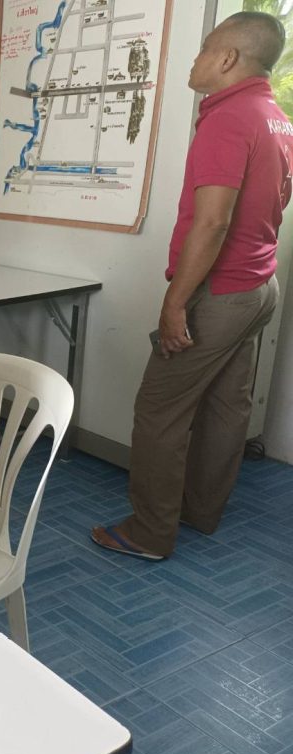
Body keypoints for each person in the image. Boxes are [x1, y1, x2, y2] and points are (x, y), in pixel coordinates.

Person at [92, 12, 292, 561]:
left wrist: (175, 302)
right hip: (259, 287)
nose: (195, 59)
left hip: (220, 293)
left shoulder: (228, 118)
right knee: (228, 405)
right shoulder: (276, 118)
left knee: (160, 409)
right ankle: (201, 512)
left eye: (204, 49)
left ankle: (150, 532)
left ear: (227, 59)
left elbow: (213, 222)